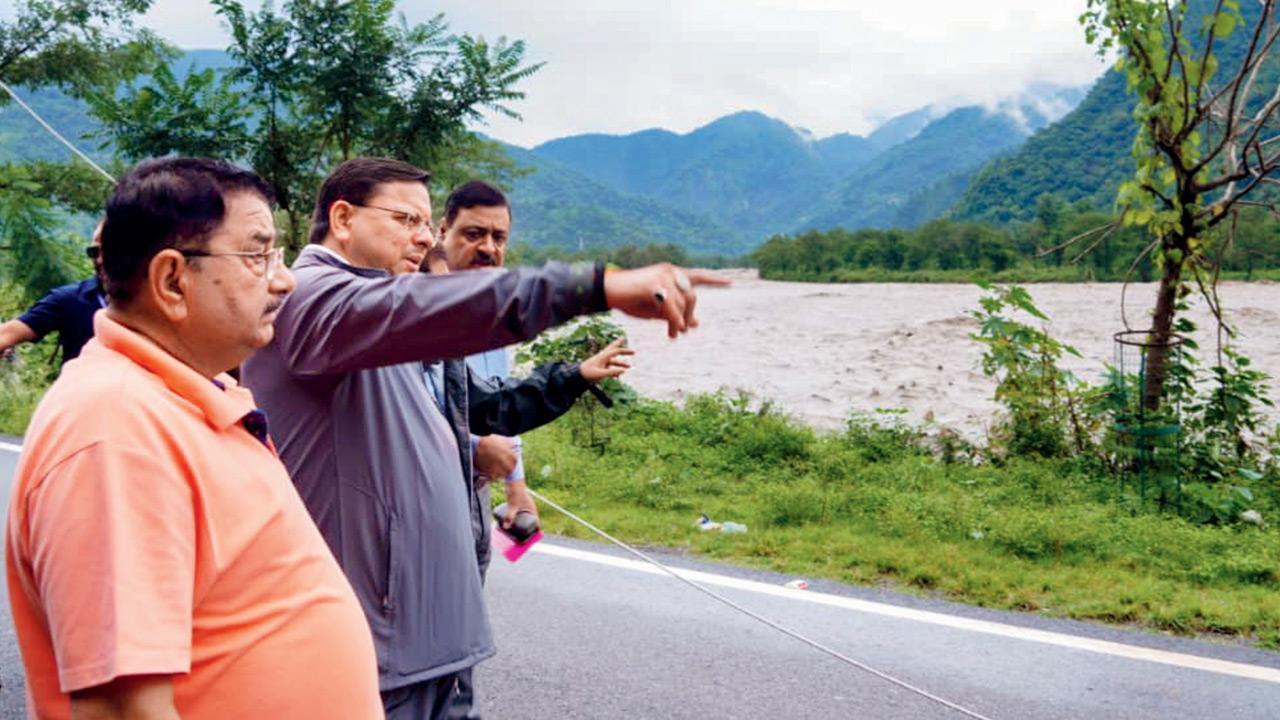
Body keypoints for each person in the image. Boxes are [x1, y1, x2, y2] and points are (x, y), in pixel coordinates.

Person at [241, 156, 723, 719]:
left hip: (430, 637)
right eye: (406, 219)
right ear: (343, 218)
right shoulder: (316, 298)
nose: (424, 239)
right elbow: (417, 312)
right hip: (379, 646)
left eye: (427, 223)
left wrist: (492, 447)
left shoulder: (370, 309)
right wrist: (593, 287)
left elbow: (430, 428)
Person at [5, 157, 383, 719]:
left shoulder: (180, 398)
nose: (283, 279)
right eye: (257, 254)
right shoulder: (116, 431)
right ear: (172, 280)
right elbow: (121, 710)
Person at [0, 222, 108, 365]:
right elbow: (7, 334)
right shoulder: (70, 299)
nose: (100, 260)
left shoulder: (145, 302)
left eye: (110, 250)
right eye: (94, 252)